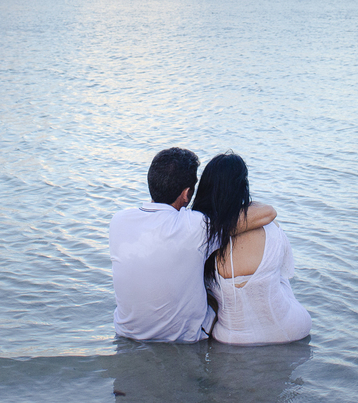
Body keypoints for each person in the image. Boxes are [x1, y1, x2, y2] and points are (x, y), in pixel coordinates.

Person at [110, 147, 277, 342]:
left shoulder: (119, 221)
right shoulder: (196, 225)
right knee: (213, 292)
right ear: (186, 193)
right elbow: (268, 213)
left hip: (126, 334)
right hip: (183, 340)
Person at [191, 152, 311, 344]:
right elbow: (286, 272)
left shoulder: (197, 234)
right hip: (293, 331)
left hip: (232, 339)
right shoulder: (270, 227)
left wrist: (219, 230)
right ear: (243, 187)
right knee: (280, 280)